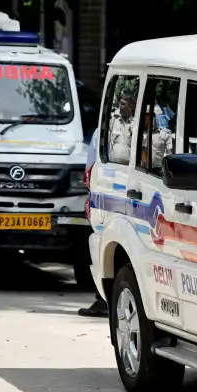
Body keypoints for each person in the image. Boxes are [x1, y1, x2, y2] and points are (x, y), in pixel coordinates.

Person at [78, 127, 108, 318]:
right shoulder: (157, 125)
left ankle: (103, 299)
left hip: (108, 196)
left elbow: (90, 170)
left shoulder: (102, 130)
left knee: (103, 249)